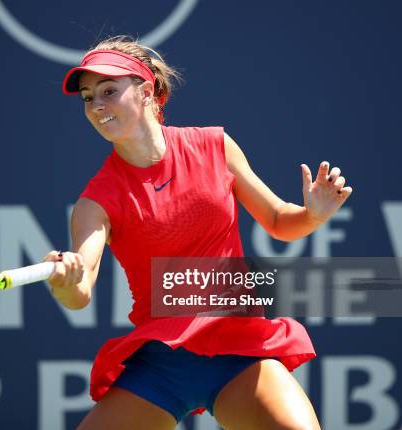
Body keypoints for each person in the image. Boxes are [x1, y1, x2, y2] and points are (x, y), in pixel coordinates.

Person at [44, 35, 352, 430]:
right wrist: (66, 281)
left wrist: (313, 215)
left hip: (238, 350)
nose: (97, 105)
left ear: (147, 91)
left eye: (108, 90)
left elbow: (278, 220)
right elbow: (80, 290)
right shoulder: (96, 201)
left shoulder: (214, 146)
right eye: (87, 97)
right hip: (162, 366)